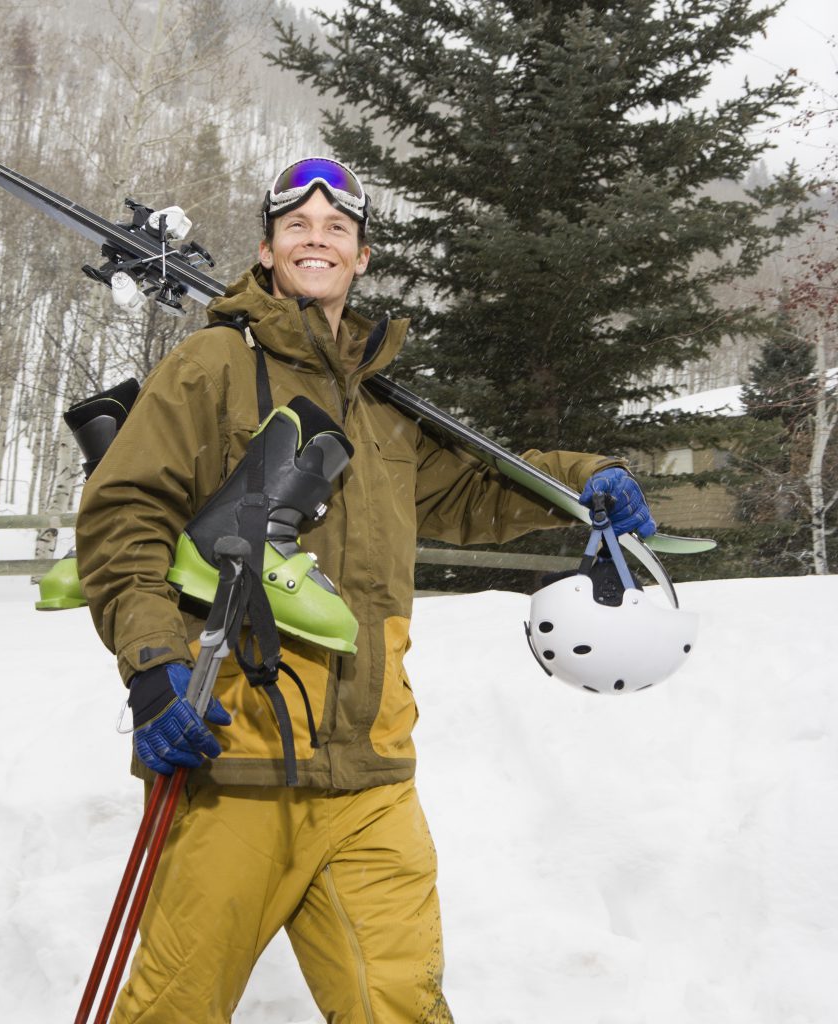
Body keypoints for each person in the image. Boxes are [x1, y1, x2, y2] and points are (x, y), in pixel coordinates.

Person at [74, 157, 655, 1023]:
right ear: (268, 252)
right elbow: (124, 519)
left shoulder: (382, 407)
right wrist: (154, 672)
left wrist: (584, 480)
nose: (318, 238)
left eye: (337, 229)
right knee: (174, 1010)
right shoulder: (209, 368)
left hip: (373, 775)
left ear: (363, 257)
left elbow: (467, 490)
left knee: (404, 1009)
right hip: (237, 762)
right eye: (297, 227)